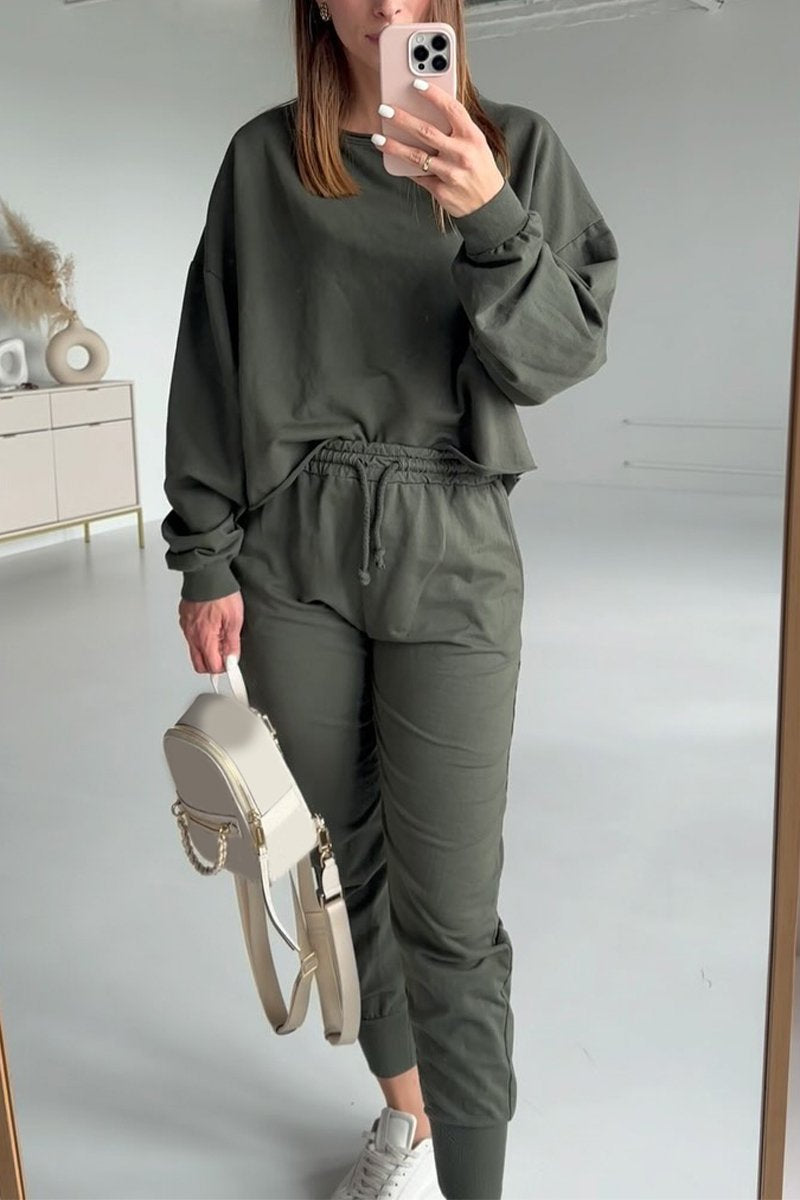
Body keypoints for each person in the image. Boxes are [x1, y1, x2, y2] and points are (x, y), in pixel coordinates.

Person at [160, 2, 619, 1196]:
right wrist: (204, 553)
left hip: (451, 538)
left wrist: (490, 215)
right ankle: (404, 1118)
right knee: (341, 864)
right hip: (291, 551)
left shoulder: (512, 148)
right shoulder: (265, 162)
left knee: (452, 918)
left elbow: (561, 354)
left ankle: (474, 1183)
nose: (390, 4)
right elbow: (210, 357)